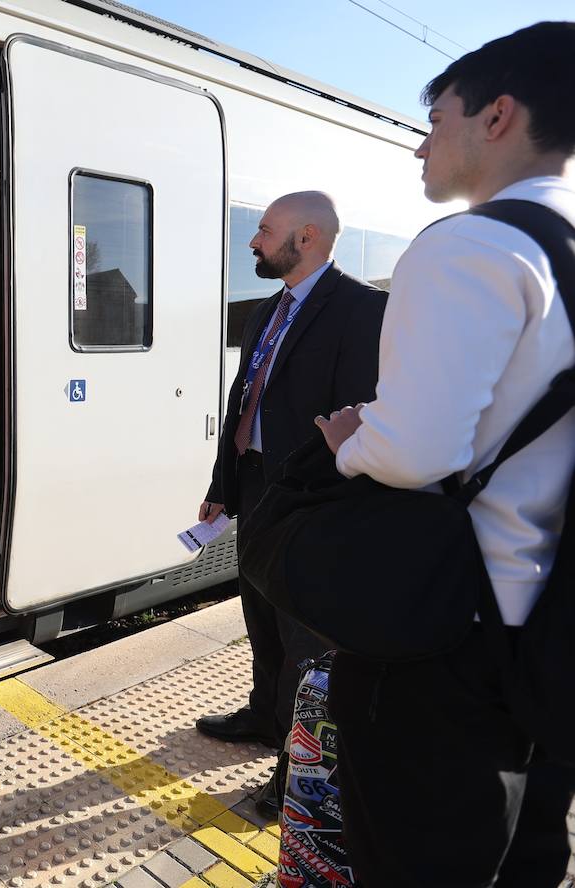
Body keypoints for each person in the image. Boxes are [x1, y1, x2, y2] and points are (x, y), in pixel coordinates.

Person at [315, 22, 575, 886]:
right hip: (550, 632)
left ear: (497, 115)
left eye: (435, 119)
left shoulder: (471, 246)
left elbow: (416, 451)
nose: (421, 145)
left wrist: (354, 441)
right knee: (526, 856)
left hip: (446, 645)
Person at [196, 191, 387, 811]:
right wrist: (222, 487)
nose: (253, 242)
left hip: (314, 499)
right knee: (259, 614)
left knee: (306, 638)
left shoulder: (362, 310)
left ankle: (297, 769)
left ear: (305, 238)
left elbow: (359, 417)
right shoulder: (265, 313)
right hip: (256, 488)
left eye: (264, 231)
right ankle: (262, 716)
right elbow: (243, 404)